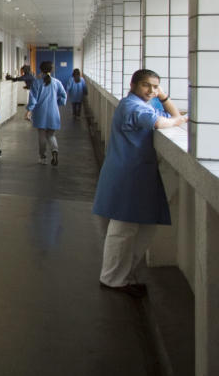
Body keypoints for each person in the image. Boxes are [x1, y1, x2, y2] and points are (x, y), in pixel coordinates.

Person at [92, 69, 187, 298]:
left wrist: (163, 97)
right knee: (124, 229)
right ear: (133, 84)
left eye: (155, 86)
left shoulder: (141, 103)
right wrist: (180, 120)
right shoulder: (132, 107)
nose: (151, 90)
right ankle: (112, 278)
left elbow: (169, 115)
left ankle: (122, 276)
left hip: (133, 172)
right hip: (128, 173)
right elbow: (160, 123)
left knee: (142, 227)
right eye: (146, 85)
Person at [25, 61, 67, 165]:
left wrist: (29, 110)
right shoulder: (57, 82)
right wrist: (58, 102)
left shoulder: (37, 82)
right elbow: (63, 96)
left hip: (40, 112)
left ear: (41, 69)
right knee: (51, 135)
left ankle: (43, 157)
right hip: (53, 112)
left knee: (42, 135)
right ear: (51, 70)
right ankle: (54, 150)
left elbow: (33, 99)